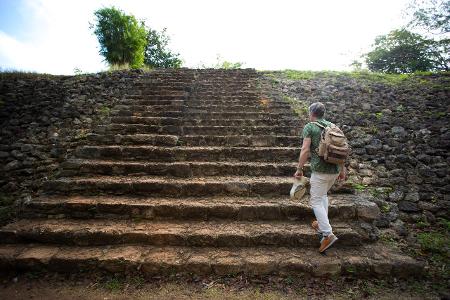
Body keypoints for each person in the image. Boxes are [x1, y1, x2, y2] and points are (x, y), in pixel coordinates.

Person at [294, 102, 346, 253]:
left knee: (315, 200)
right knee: (322, 195)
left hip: (321, 171)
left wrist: (299, 169)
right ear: (323, 113)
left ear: (311, 113)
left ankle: (327, 234)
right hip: (335, 169)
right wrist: (343, 169)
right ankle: (321, 223)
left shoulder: (310, 127)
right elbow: (341, 148)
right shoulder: (333, 126)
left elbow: (305, 150)